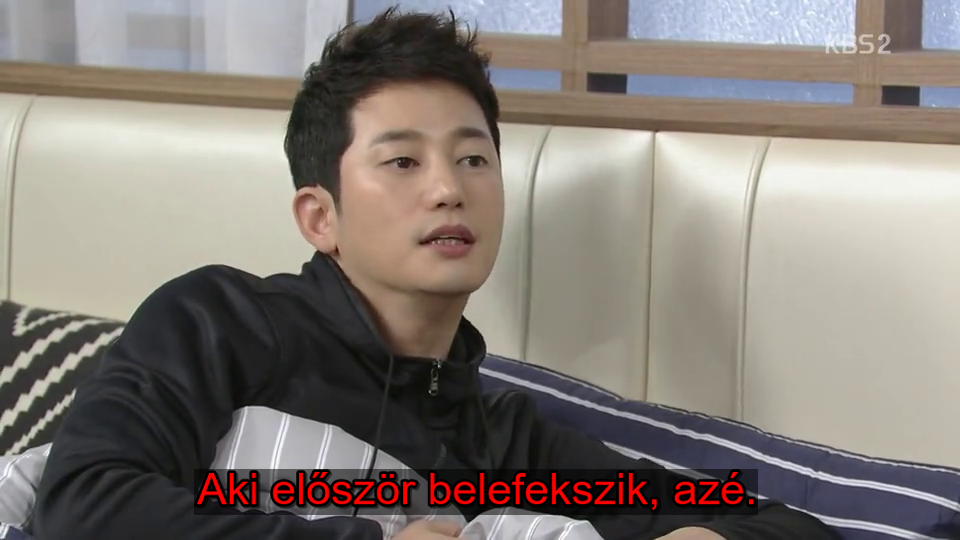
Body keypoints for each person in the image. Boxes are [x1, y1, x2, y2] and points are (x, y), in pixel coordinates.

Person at [32, 6, 838, 540]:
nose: (449, 188)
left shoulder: (506, 446)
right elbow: (85, 502)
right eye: (403, 161)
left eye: (473, 158)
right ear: (320, 217)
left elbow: (776, 521)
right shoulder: (221, 321)